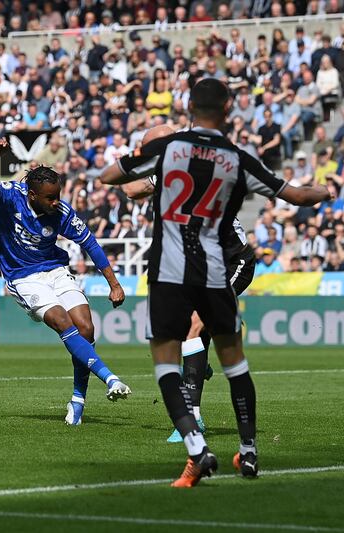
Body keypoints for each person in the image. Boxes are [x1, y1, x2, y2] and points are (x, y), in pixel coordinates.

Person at [101, 79, 330, 487]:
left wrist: (143, 154)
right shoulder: (234, 159)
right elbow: (294, 196)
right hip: (210, 270)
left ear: (189, 106)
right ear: (227, 108)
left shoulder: (169, 152)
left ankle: (195, 444)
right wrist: (324, 191)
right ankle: (248, 450)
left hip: (195, 267)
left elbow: (111, 178)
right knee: (231, 358)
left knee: (171, 352)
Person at [106, 125, 258, 445]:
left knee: (191, 327)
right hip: (199, 264)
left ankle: (194, 416)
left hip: (232, 262)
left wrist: (138, 160)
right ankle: (204, 352)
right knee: (180, 331)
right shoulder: (169, 168)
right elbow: (131, 190)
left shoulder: (193, 167)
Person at [0, 139, 131, 426]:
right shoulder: (9, 197)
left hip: (55, 270)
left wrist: (114, 284)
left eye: (57, 196)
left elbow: (90, 244)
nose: (56, 203)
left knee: (86, 327)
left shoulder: (62, 212)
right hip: (23, 277)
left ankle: (77, 401)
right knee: (61, 321)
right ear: (31, 195)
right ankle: (110, 377)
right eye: (49, 198)